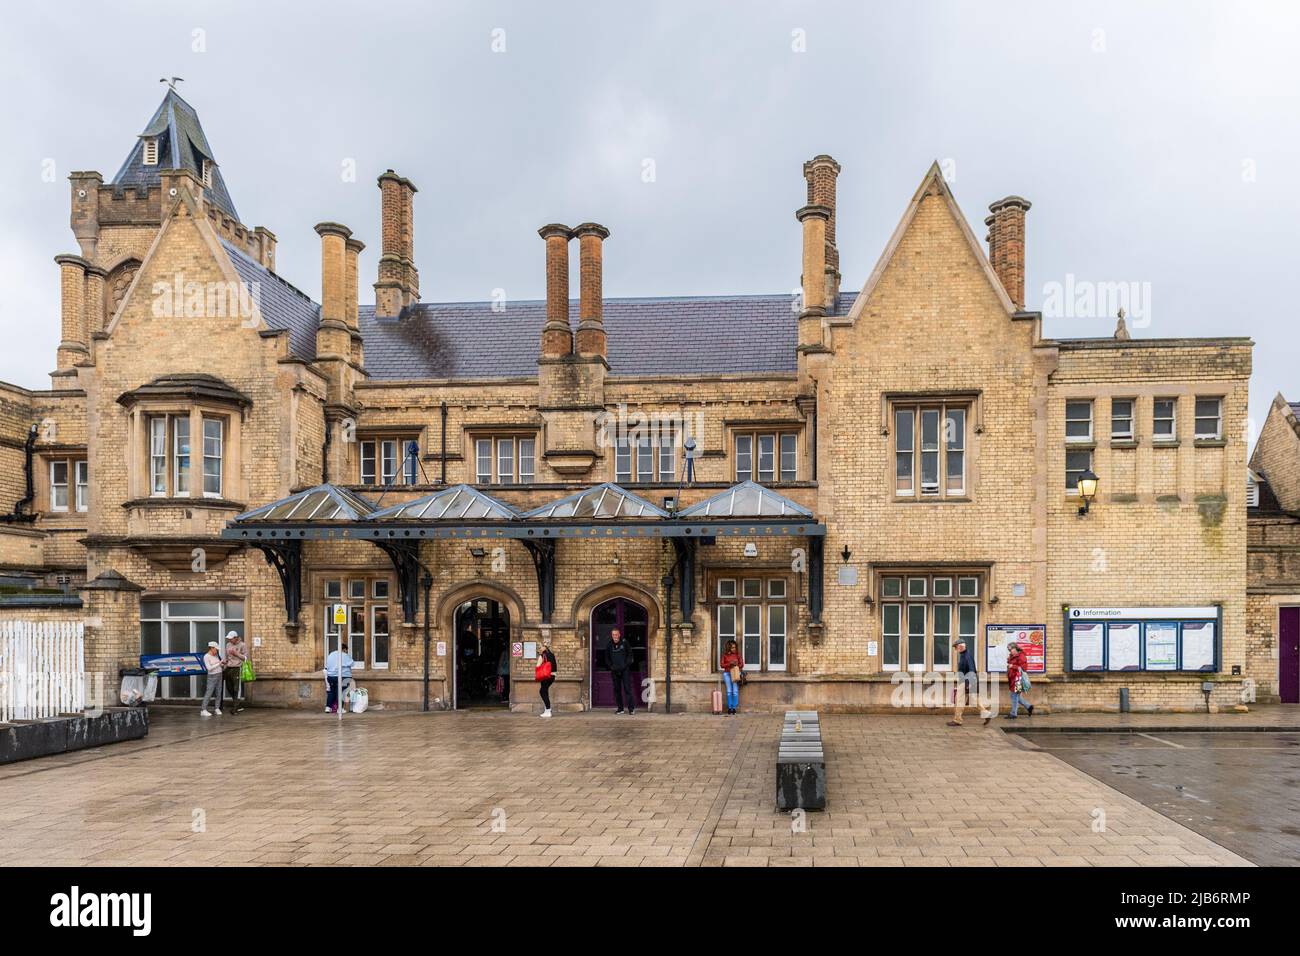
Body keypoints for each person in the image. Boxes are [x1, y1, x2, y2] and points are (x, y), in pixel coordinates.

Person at [948, 638, 989, 727]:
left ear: (961, 646)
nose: (955, 649)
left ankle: (957, 720)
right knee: (974, 700)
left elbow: (971, 669)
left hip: (966, 681)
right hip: (968, 681)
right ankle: (986, 714)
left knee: (959, 700)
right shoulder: (965, 655)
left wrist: (969, 683)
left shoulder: (966, 656)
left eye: (956, 647)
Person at [605, 627, 635, 715]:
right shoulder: (609, 645)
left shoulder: (625, 643)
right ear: (612, 635)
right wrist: (611, 666)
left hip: (625, 670)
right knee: (617, 691)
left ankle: (631, 709)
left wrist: (625, 665)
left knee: (627, 689)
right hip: (615, 671)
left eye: (616, 634)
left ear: (619, 635)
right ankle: (620, 709)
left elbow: (630, 655)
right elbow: (607, 658)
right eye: (613, 635)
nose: (615, 636)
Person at [1006, 641, 1035, 719]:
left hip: (1018, 680)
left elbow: (1023, 668)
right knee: (1015, 696)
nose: (1010, 651)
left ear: (1015, 648)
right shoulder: (1013, 656)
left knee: (1014, 696)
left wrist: (1012, 666)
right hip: (1013, 679)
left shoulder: (1021, 656)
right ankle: (1029, 707)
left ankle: (1013, 714)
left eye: (1011, 649)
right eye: (1009, 650)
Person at [324, 641, 354, 714]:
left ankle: (328, 707)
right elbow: (352, 663)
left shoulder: (331, 654)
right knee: (341, 692)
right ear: (344, 649)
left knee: (331, 692)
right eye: (346, 651)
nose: (346, 652)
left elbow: (326, 666)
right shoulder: (344, 655)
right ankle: (339, 709)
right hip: (343, 677)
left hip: (331, 676)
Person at [222, 631, 248, 713]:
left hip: (237, 668)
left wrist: (236, 654)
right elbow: (226, 656)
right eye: (228, 638)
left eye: (231, 638)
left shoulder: (242, 645)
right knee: (229, 687)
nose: (229, 640)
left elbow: (246, 658)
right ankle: (238, 704)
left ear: (236, 637)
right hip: (228, 668)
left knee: (237, 689)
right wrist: (224, 662)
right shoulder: (228, 645)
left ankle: (235, 708)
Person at [719, 639, 744, 715]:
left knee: (735, 691)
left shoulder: (737, 655)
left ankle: (734, 708)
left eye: (735, 647)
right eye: (732, 647)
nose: (734, 649)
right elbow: (722, 665)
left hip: (735, 674)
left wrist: (736, 665)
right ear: (729, 647)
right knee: (729, 691)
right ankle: (730, 708)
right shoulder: (725, 656)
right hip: (727, 674)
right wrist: (729, 664)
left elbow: (742, 664)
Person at [200, 640, 223, 717]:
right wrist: (219, 663)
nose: (217, 651)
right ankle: (203, 710)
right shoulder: (206, 656)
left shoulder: (216, 655)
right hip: (212, 676)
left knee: (218, 692)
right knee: (209, 692)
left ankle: (217, 708)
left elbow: (219, 665)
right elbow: (209, 668)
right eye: (216, 649)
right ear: (212, 648)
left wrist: (222, 664)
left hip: (219, 674)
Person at [536, 642, 558, 718]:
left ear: (545, 648)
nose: (540, 649)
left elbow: (537, 666)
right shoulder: (552, 655)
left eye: (540, 647)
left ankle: (548, 710)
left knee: (542, 691)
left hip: (545, 676)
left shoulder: (542, 656)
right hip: (552, 676)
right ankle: (547, 710)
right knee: (545, 691)